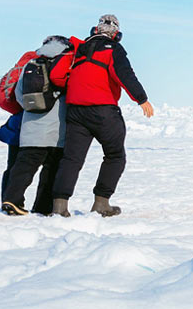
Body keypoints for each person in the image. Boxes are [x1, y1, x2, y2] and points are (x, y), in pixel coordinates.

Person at [50, 15, 154, 217]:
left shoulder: (77, 49)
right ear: (116, 35)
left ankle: (59, 207)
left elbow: (57, 76)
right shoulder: (113, 49)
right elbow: (124, 75)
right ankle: (101, 203)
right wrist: (141, 99)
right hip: (103, 110)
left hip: (75, 111)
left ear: (94, 31)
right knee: (115, 156)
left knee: (71, 159)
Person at [2, 36, 73, 216]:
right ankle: (43, 207)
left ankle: (12, 200)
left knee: (24, 167)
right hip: (56, 130)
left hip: (31, 129)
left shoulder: (30, 65)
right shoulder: (64, 67)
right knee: (51, 170)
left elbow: (20, 96)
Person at [0, 112, 22, 202]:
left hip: (16, 126)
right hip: (25, 126)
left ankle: (8, 201)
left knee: (12, 167)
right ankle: (11, 201)